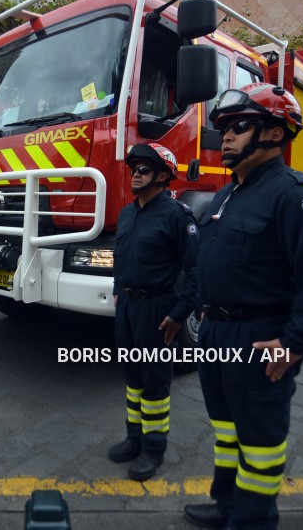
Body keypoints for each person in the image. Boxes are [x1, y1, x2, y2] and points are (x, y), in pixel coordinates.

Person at [184, 83, 303, 530]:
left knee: (260, 440)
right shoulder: (229, 193)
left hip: (259, 339)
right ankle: (226, 505)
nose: (227, 138)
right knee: (226, 430)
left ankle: (252, 520)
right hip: (217, 335)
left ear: (275, 134)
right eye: (225, 129)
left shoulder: (294, 195)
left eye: (239, 127)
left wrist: (294, 343)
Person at [109, 142, 198, 481]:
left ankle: (153, 449)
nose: (136, 174)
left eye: (144, 169)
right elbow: (121, 256)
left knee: (155, 382)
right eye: (134, 169)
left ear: (163, 176)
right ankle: (134, 440)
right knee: (132, 378)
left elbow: (194, 270)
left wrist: (179, 313)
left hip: (157, 309)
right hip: (128, 307)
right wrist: (119, 291)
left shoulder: (177, 217)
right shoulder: (129, 213)